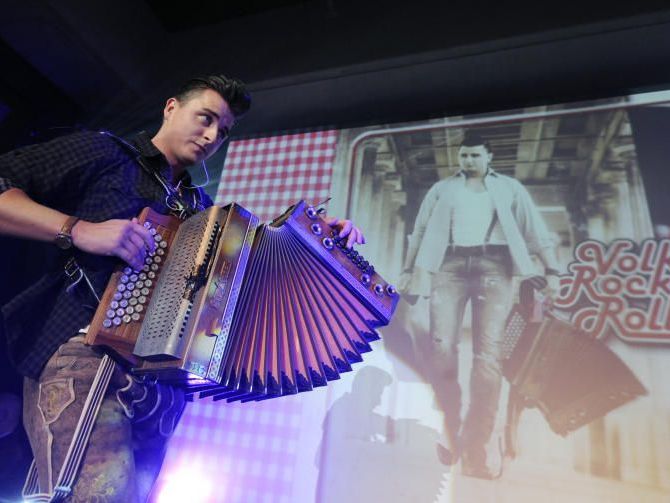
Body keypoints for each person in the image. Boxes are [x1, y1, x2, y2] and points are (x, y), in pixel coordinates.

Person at [0, 74, 364, 501]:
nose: (212, 136)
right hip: (85, 357)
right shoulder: (104, 152)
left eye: (223, 130)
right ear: (171, 107)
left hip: (160, 388)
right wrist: (77, 229)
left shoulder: (202, 210)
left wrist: (321, 242)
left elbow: (255, 279)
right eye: (205, 118)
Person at [399, 129, 560, 479]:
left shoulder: (509, 189)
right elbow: (421, 230)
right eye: (464, 155)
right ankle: (450, 434)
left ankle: (476, 451)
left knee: (488, 357)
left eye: (475, 155)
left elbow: (533, 229)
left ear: (489, 157)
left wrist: (551, 267)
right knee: (443, 349)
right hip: (448, 266)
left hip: (495, 266)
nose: (469, 160)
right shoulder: (442, 190)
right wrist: (410, 271)